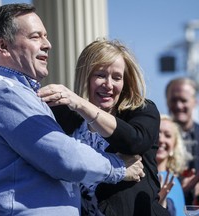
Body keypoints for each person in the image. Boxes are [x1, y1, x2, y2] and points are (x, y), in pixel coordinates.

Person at [0, 3, 145, 216]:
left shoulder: (14, 92)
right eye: (35, 37)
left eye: (46, 36)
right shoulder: (4, 92)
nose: (47, 44)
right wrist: (119, 166)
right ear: (3, 46)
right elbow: (65, 158)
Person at [38, 39, 170, 215]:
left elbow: (134, 142)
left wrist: (81, 104)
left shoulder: (141, 110)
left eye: (117, 77)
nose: (108, 85)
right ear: (85, 76)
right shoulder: (64, 115)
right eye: (100, 75)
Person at [165, 77, 199, 204]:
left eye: (183, 100)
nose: (179, 106)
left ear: (194, 102)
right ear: (167, 102)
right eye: (174, 100)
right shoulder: (157, 138)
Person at [156, 114, 191, 216]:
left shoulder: (173, 182)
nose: (161, 139)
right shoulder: (138, 175)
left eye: (168, 135)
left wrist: (163, 204)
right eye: (157, 133)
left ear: (173, 147)